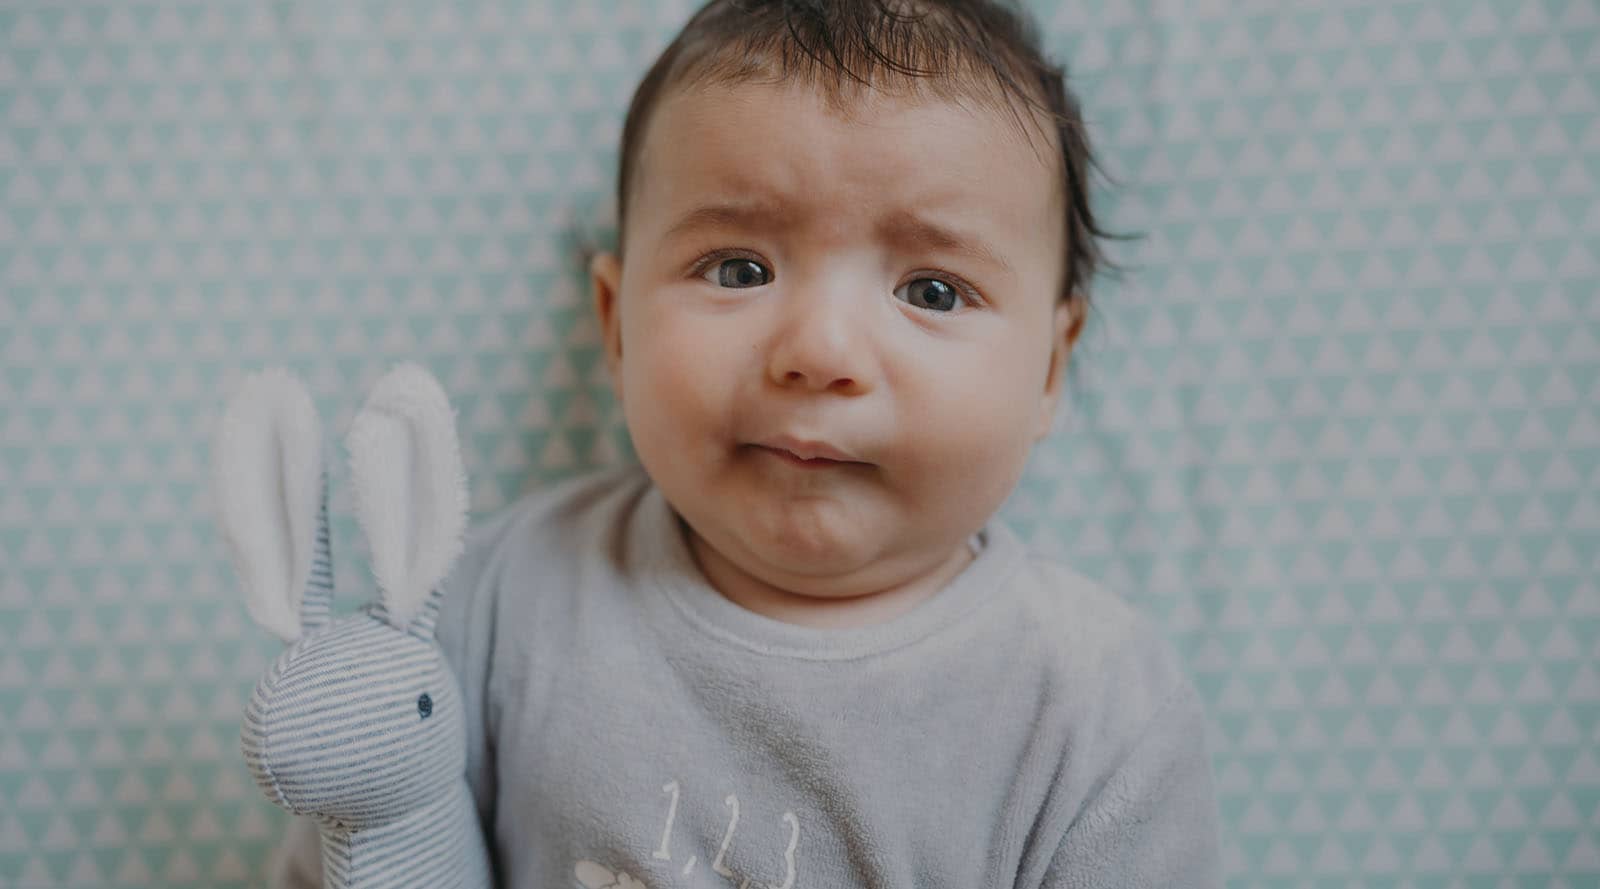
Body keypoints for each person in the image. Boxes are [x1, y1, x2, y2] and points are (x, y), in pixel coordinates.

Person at [267, 1, 1225, 886]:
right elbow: (370, 847)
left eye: (933, 290)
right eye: (738, 268)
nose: (819, 351)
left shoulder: (1096, 711)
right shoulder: (494, 602)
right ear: (616, 325)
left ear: (1051, 370)